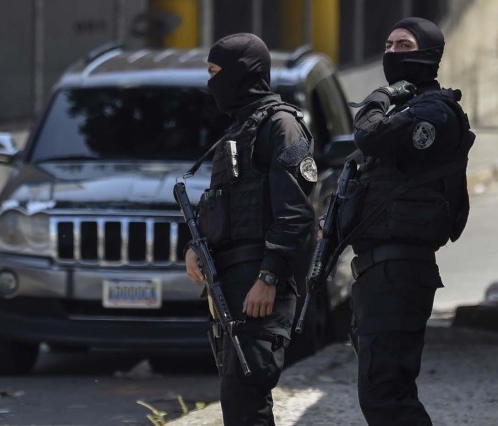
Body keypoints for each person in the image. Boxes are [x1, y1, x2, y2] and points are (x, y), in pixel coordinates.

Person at [343, 17, 475, 425]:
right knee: (382, 390)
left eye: (404, 44)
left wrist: (378, 96)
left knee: (386, 396)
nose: (392, 52)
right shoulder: (406, 109)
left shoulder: (434, 113)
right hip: (379, 270)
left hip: (400, 270)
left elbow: (371, 135)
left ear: (429, 54)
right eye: (388, 44)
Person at [184, 33, 316, 425]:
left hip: (259, 280)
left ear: (242, 73)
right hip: (232, 281)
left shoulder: (281, 126)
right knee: (238, 397)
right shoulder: (239, 131)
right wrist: (198, 245)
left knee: (247, 392)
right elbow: (225, 205)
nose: (211, 83)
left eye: (215, 72)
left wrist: (269, 275)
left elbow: (295, 214)